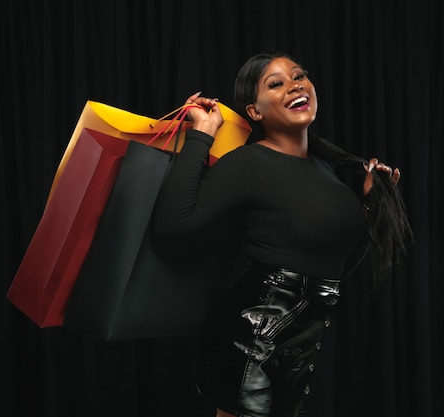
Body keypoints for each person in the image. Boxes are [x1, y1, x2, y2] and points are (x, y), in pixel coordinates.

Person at [154, 51, 412, 417]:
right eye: (276, 84)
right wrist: (202, 135)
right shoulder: (249, 163)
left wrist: (371, 206)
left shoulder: (326, 172)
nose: (295, 85)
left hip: (297, 351)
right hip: (252, 344)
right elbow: (173, 226)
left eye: (299, 76)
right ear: (254, 111)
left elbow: (334, 269)